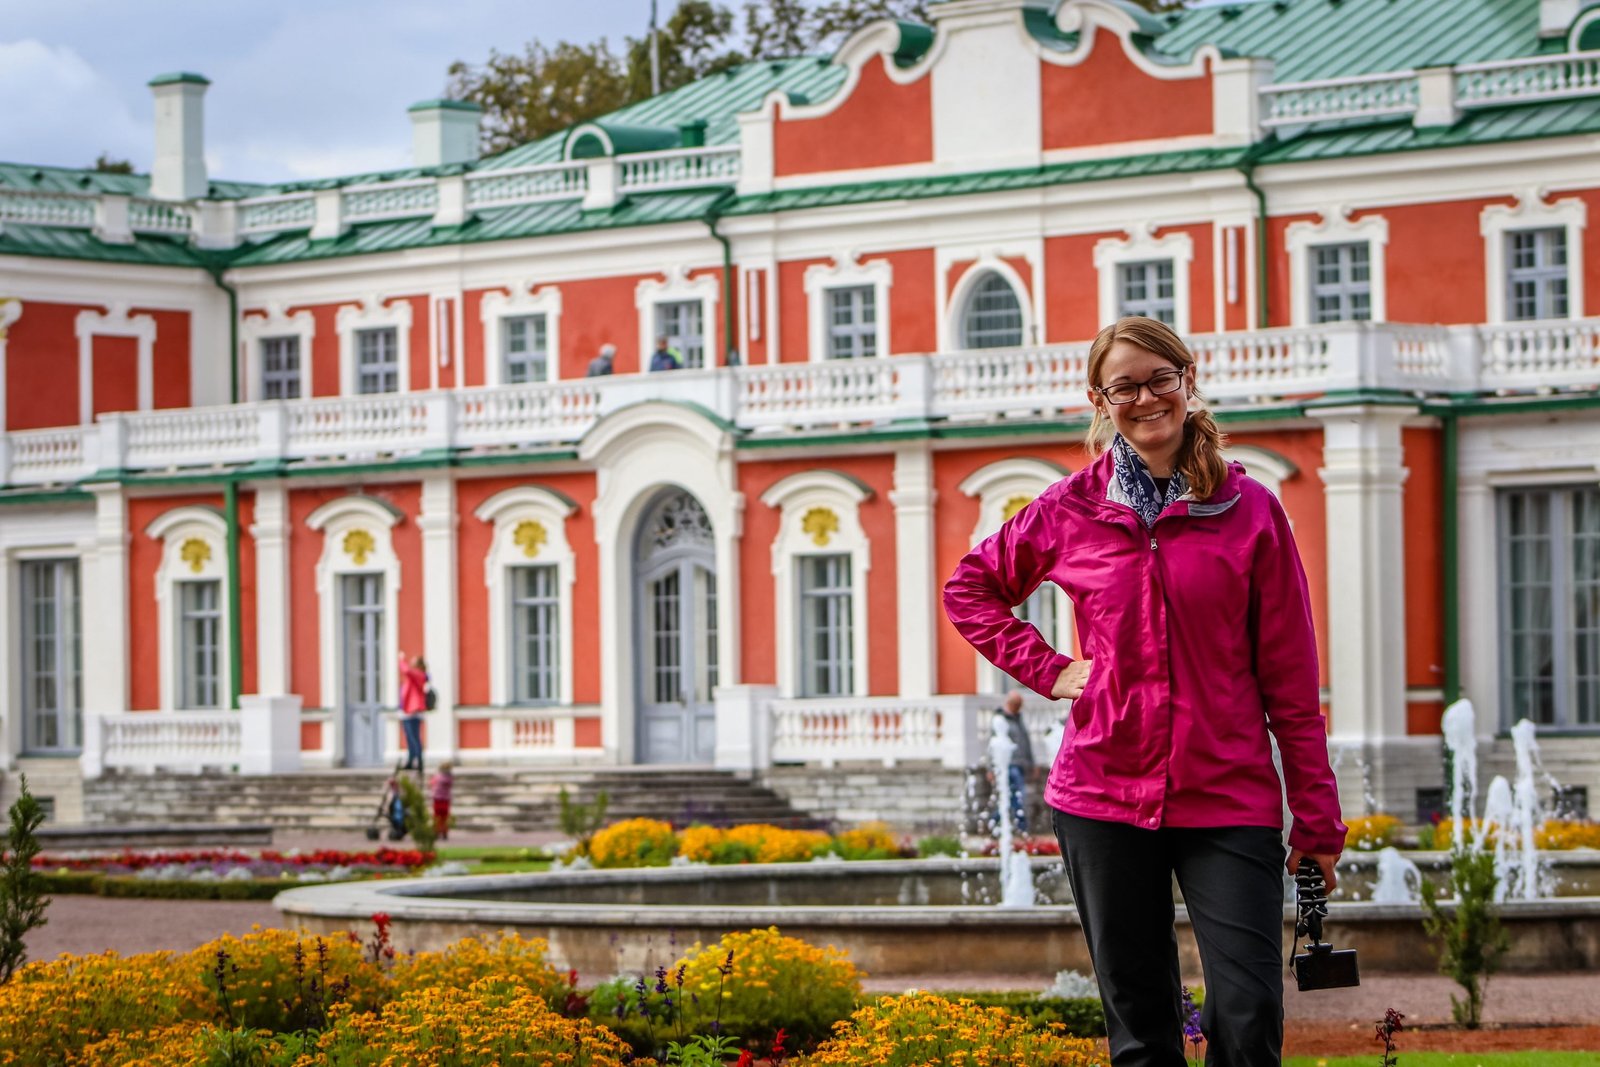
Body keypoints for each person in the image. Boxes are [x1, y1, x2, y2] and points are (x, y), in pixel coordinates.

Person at [943, 316, 1346, 1067]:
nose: (1146, 398)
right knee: (1140, 1028)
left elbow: (1292, 683)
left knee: (1250, 1011)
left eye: (1160, 378)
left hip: (1228, 795)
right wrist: (1050, 669)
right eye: (1124, 386)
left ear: (1188, 382)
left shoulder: (1250, 510)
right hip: (1102, 796)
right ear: (1100, 401)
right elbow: (969, 589)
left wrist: (1317, 818)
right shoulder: (1069, 507)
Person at [993, 690, 1035, 833]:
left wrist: (1032, 763)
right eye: (1017, 705)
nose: (1019, 708)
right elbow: (992, 745)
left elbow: (1026, 742)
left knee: (1011, 796)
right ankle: (1021, 826)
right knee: (1018, 795)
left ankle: (995, 821)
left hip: (1020, 764)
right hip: (1009, 765)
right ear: (1011, 704)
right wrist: (990, 768)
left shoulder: (1019, 719)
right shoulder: (1000, 720)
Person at [397, 652, 428, 773]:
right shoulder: (416, 675)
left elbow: (406, 670)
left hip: (413, 711)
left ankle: (418, 760)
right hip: (407, 711)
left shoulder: (419, 674)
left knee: (414, 737)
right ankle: (411, 760)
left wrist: (401, 659)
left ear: (419, 665)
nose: (411, 662)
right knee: (410, 738)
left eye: (413, 661)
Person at [428, 762, 454, 841]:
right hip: (445, 799)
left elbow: (431, 784)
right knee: (444, 817)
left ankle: (437, 831)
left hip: (438, 798)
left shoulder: (437, 777)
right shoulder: (449, 778)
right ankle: (443, 831)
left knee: (437, 816)